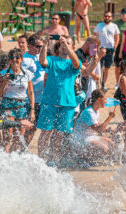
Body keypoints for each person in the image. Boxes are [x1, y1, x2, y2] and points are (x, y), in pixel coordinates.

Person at [37, 36, 81, 165]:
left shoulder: (74, 62)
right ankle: (41, 160)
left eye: (68, 44)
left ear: (72, 47)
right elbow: (42, 61)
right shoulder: (53, 59)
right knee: (46, 131)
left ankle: (54, 160)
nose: (64, 45)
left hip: (67, 103)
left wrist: (66, 45)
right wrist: (45, 45)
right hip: (49, 101)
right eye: (62, 44)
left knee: (59, 134)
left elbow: (76, 64)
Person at [0, 48, 34, 153]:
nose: (14, 60)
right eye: (12, 57)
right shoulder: (3, 73)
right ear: (9, 60)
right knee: (8, 136)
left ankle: (13, 159)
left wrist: (32, 110)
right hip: (7, 104)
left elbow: (30, 92)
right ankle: (5, 160)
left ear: (21, 59)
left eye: (17, 57)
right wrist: (5, 81)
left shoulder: (27, 74)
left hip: (22, 105)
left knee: (19, 137)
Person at [70, 89, 116, 163]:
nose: (106, 102)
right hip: (80, 139)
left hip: (89, 137)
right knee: (104, 149)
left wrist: (109, 130)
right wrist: (109, 118)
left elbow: (97, 126)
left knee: (111, 143)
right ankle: (83, 159)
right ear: (99, 99)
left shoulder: (96, 110)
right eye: (105, 99)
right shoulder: (89, 112)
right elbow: (99, 130)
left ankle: (93, 159)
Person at [21, 34, 45, 148]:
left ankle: (23, 149)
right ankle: (19, 150)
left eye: (41, 46)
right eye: (37, 46)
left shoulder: (40, 57)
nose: (40, 49)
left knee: (33, 129)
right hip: (28, 100)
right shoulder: (24, 60)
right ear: (30, 46)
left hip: (41, 99)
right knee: (26, 128)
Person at [94, 11, 120, 90]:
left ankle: (103, 84)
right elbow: (94, 37)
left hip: (110, 49)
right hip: (101, 49)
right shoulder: (99, 25)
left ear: (111, 17)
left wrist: (115, 47)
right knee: (99, 67)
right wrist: (95, 48)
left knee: (107, 68)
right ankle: (97, 84)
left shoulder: (114, 26)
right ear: (104, 17)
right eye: (106, 16)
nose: (107, 18)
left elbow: (117, 38)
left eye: (109, 16)